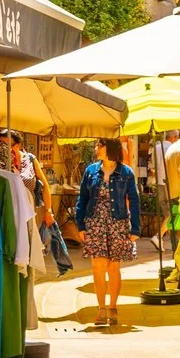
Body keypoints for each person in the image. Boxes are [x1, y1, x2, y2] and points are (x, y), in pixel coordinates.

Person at [72, 140, 142, 328]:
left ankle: (112, 307)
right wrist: (80, 225)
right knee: (98, 267)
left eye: (99, 146)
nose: (96, 149)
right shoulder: (91, 171)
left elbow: (134, 200)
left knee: (113, 267)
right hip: (95, 222)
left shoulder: (126, 172)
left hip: (117, 223)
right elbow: (83, 198)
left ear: (109, 149)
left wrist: (135, 228)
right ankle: (101, 308)